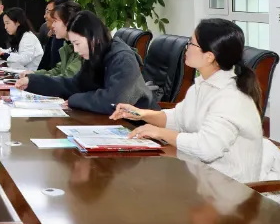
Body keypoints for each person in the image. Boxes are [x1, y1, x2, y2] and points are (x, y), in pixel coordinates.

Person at [111, 18, 263, 183]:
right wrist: (141, 114)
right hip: (199, 175)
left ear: (209, 57)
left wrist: (159, 132)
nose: (186, 48)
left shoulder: (230, 97)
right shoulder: (203, 85)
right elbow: (178, 119)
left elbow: (207, 148)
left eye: (191, 43)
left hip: (229, 187)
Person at [17, 10, 155, 115]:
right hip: (108, 120)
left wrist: (75, 100)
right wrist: (33, 81)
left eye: (77, 43)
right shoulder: (95, 54)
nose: (75, 50)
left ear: (93, 38)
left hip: (139, 125)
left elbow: (114, 101)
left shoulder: (123, 58)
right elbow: (74, 85)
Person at [0, 7, 43, 71]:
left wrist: (1, 54)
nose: (5, 27)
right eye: (4, 24)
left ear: (17, 22)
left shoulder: (28, 37)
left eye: (7, 23)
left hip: (30, 73)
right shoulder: (19, 36)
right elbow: (11, 51)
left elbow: (24, 60)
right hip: (21, 71)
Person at [36, 0, 82, 77]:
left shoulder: (84, 47)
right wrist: (32, 75)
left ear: (68, 22)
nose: (53, 25)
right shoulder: (69, 45)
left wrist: (34, 79)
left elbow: (67, 78)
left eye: (55, 21)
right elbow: (58, 70)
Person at [37, 0, 70, 72]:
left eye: (48, 12)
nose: (44, 16)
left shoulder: (75, 44)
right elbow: (52, 69)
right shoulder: (54, 37)